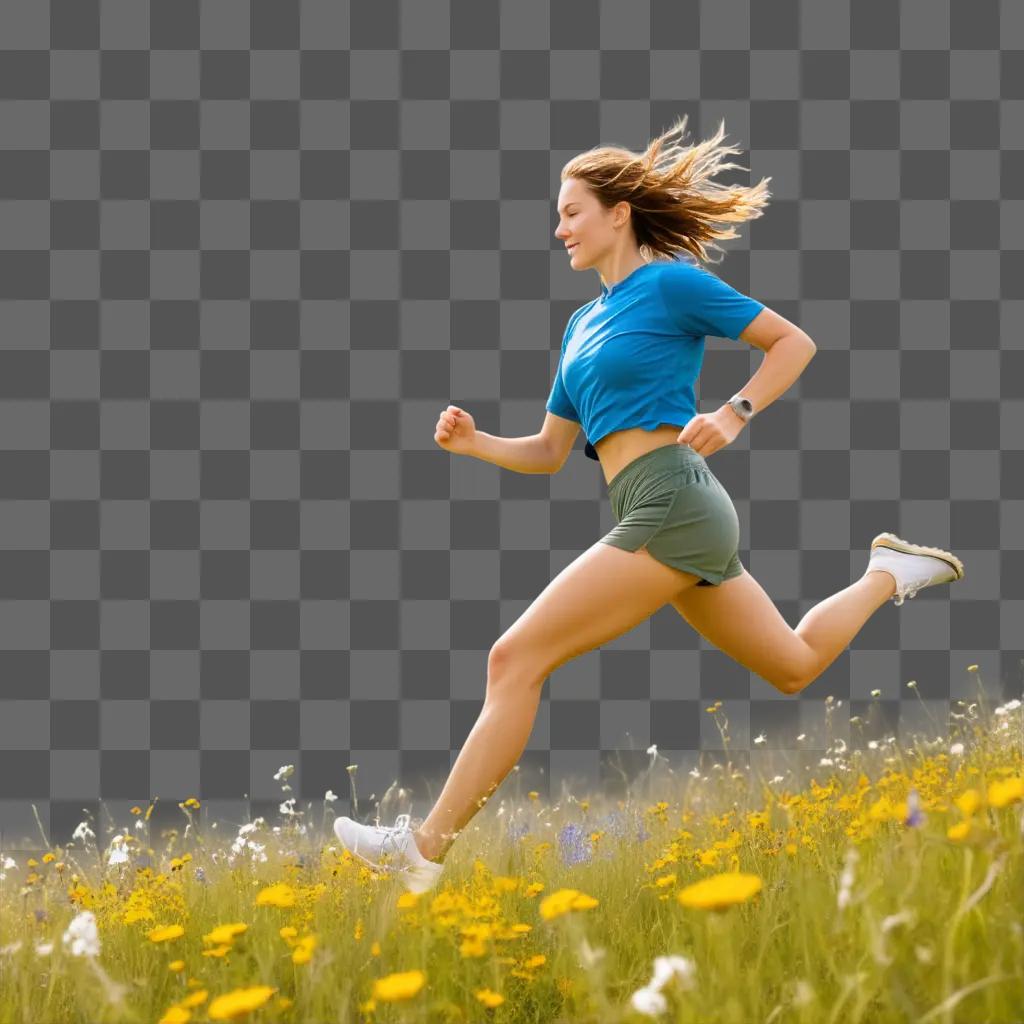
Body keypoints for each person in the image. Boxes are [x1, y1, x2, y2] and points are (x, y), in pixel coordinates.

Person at [333, 115, 965, 893]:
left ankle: (423, 850)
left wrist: (734, 411)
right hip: (654, 505)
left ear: (618, 213)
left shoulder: (669, 284)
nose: (558, 226)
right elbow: (548, 452)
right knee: (795, 666)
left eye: (572, 211)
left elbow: (792, 342)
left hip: (672, 497)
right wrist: (475, 444)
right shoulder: (579, 326)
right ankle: (886, 573)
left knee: (513, 658)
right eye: (556, 214)